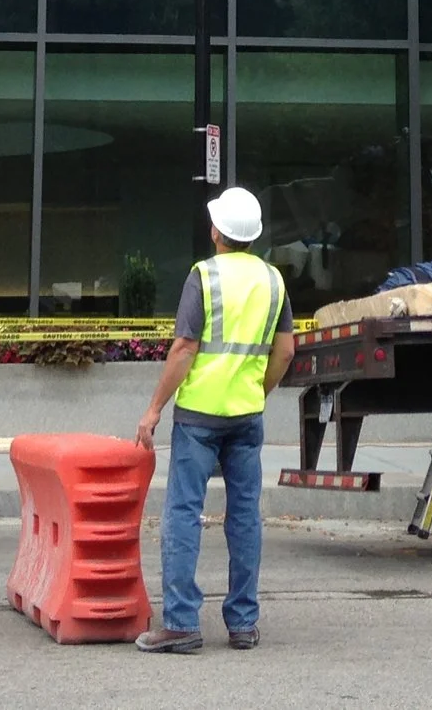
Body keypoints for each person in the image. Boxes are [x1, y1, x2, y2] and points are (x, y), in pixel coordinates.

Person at [134, 186, 297, 654]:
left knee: (184, 513)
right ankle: (243, 624)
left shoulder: (203, 276)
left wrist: (154, 409)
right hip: (246, 415)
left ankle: (182, 623)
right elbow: (285, 350)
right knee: (244, 516)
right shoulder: (273, 281)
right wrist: (257, 391)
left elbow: (184, 349)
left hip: (199, 417)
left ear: (216, 231)